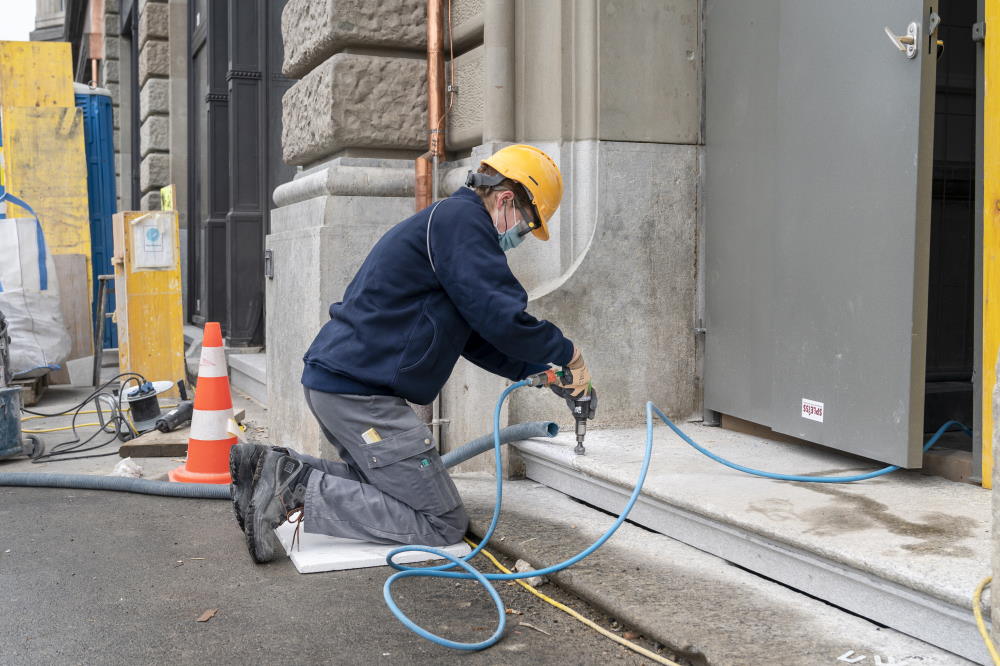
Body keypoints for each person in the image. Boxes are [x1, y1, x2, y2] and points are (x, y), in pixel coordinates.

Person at [230, 144, 593, 563]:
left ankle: (268, 466)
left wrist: (538, 369)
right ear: (508, 199)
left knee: (378, 484)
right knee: (441, 522)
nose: (521, 237)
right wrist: (568, 354)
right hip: (360, 395)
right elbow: (502, 317)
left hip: (342, 384)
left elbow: (477, 336)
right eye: (528, 226)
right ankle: (289, 488)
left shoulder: (452, 224)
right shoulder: (463, 224)